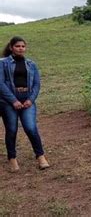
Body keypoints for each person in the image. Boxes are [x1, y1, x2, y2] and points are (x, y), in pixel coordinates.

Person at [0, 36, 50, 172]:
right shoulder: (2, 63)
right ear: (11, 47)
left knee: (31, 128)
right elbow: (1, 83)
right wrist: (13, 100)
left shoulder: (31, 64)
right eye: (17, 46)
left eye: (23, 46)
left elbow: (36, 84)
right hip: (8, 101)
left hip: (27, 99)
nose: (20, 48)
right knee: (11, 130)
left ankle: (40, 156)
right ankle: (12, 159)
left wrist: (30, 99)